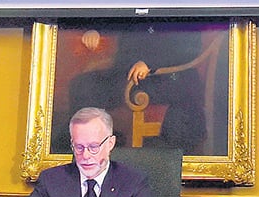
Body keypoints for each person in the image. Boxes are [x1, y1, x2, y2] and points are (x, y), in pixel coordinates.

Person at [64, 22, 209, 153]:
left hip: (164, 78)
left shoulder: (179, 4)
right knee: (82, 85)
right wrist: (94, 29)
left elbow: (190, 49)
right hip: (125, 73)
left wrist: (149, 64)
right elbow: (116, 16)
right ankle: (84, 147)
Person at [27, 107, 162, 197]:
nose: (85, 155)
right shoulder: (51, 180)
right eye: (79, 147)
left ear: (110, 143)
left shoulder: (133, 181)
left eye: (93, 147)